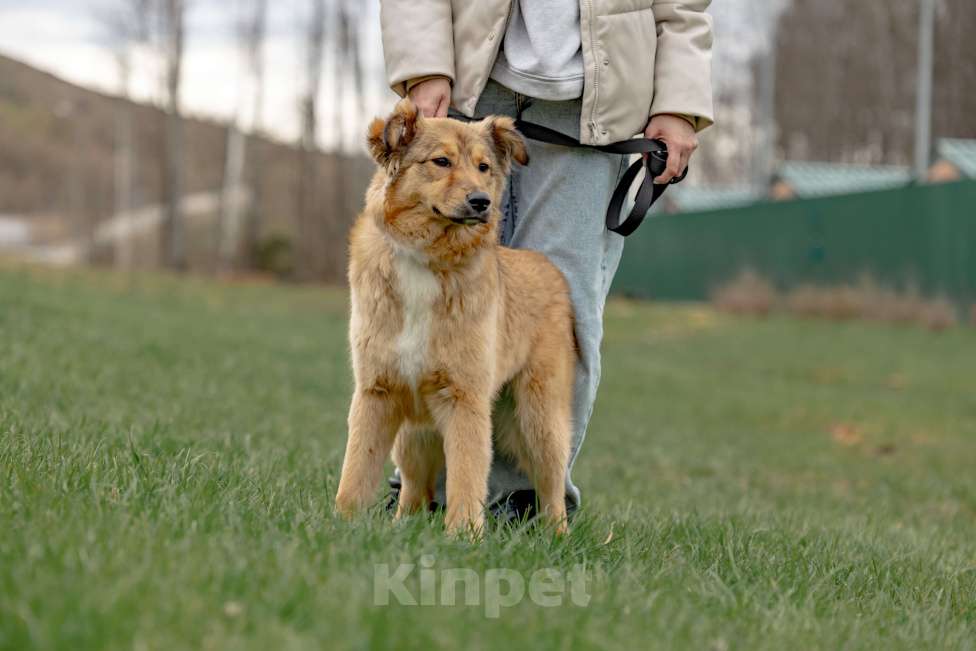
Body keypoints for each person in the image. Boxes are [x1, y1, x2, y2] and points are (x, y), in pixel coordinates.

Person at [379, 0, 714, 518]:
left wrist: (678, 103)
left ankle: (522, 498)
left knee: (561, 310)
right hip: (469, 80)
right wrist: (423, 64)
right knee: (435, 299)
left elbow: (684, 7)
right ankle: (426, 490)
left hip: (593, 105)